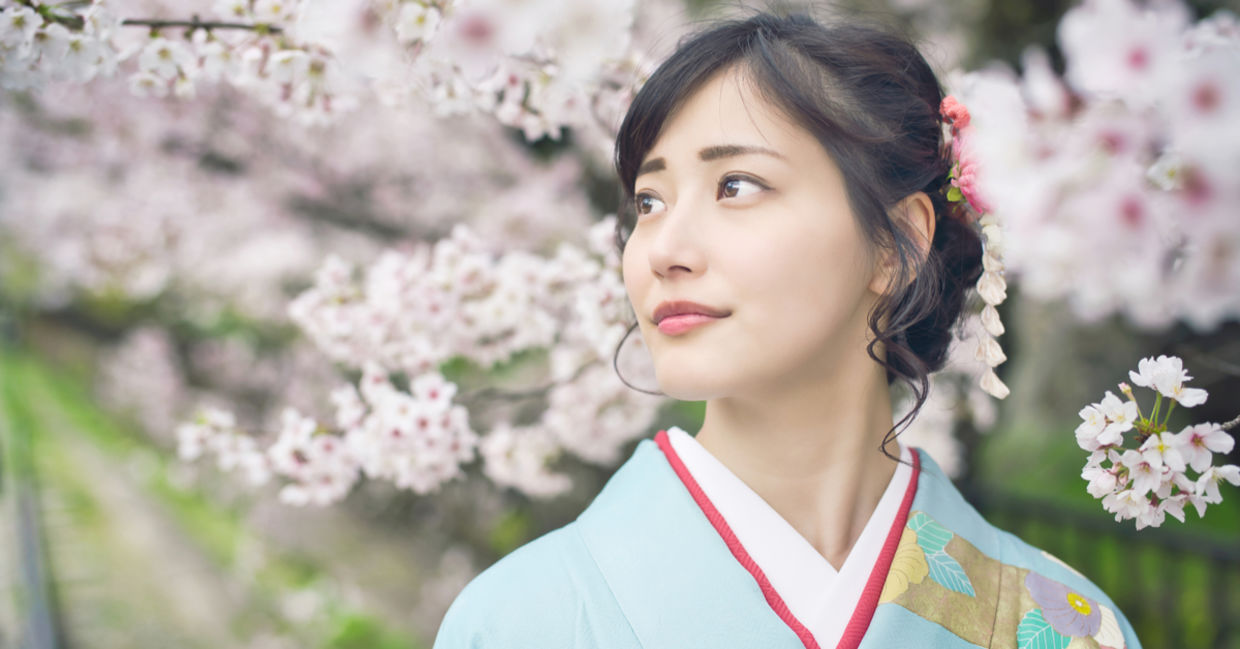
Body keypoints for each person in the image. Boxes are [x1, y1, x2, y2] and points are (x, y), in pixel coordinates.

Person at [433, 8, 1141, 649]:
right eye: (648, 200)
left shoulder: (1061, 626)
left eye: (736, 185)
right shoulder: (516, 620)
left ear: (896, 242)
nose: (662, 249)